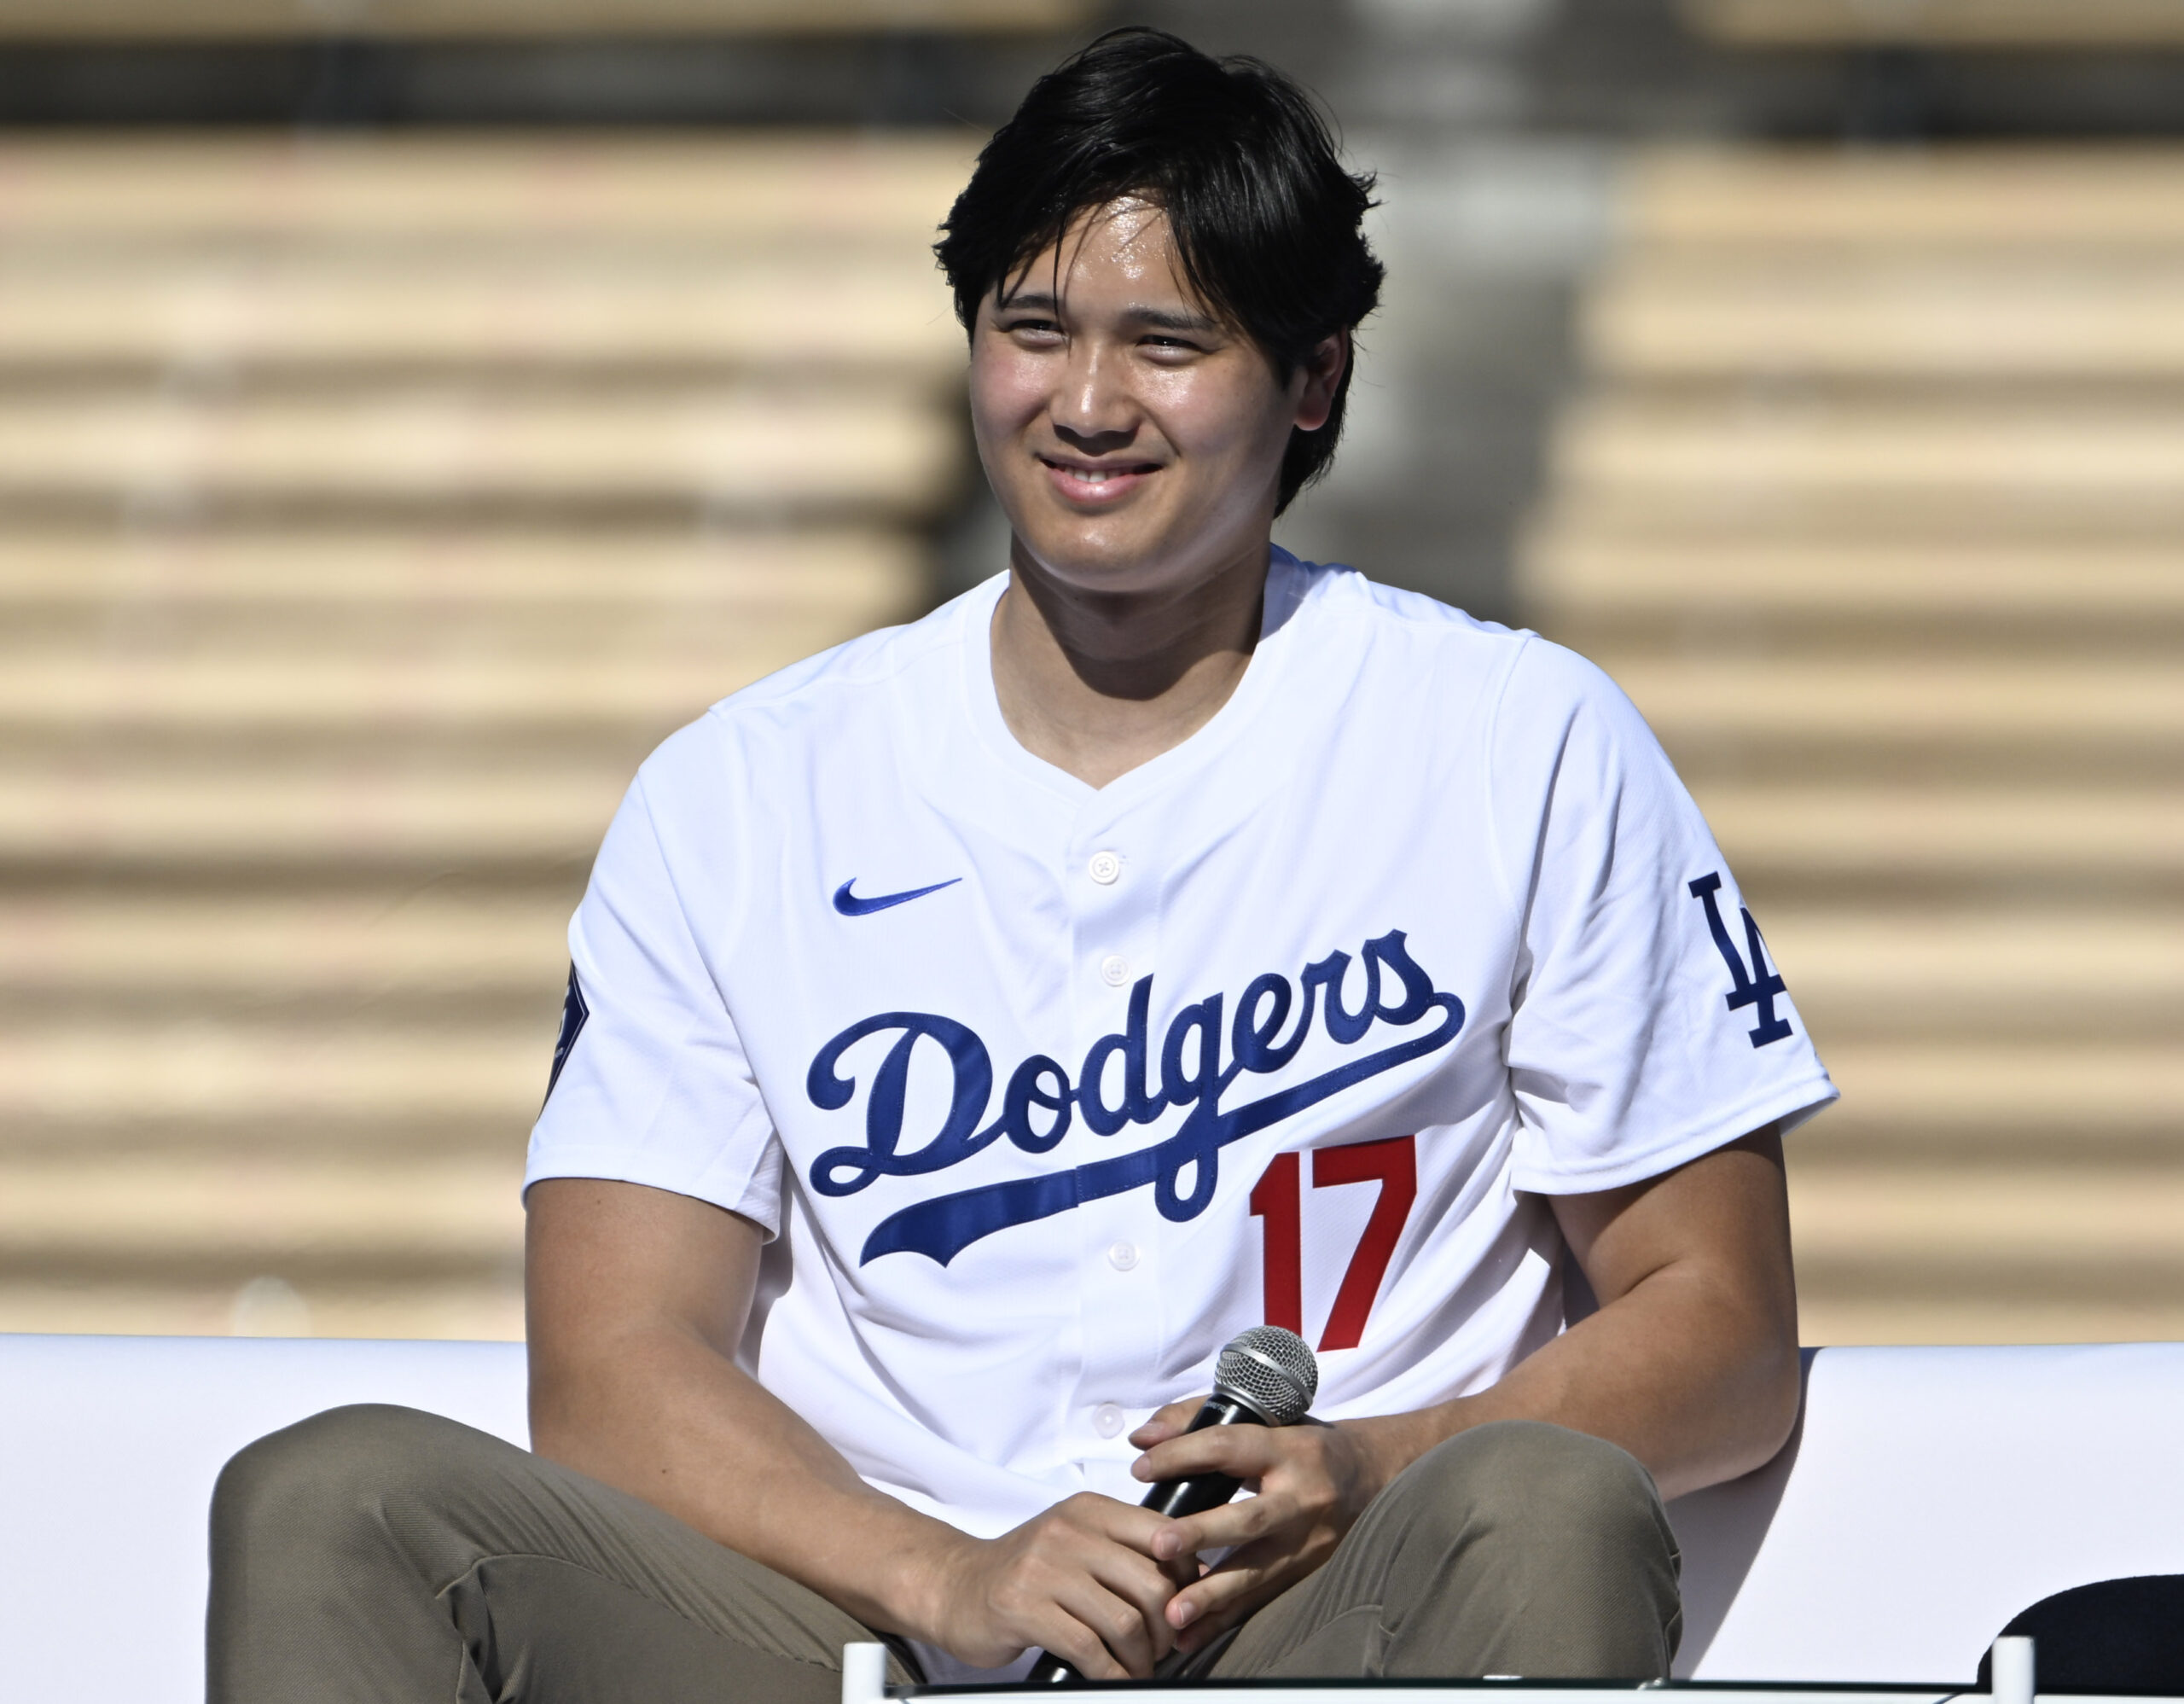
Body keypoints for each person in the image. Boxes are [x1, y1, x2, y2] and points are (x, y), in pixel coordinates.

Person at [207, 28, 1833, 1703]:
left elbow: (1714, 1326)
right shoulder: (740, 789)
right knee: (336, 1499)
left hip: (1321, 1624)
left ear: (1314, 380)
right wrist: (949, 1574)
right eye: (1031, 329)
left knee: (1539, 1501)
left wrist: (1373, 1464)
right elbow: (615, 1363)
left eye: (1166, 343)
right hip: (850, 1621)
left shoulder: (1522, 738)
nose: (1083, 404)